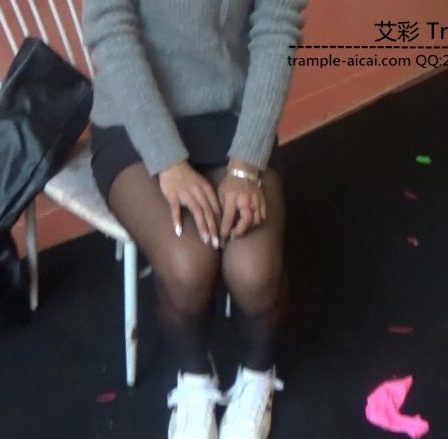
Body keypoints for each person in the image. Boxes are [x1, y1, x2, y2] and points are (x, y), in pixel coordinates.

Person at [82, 1, 306, 438]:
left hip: (233, 118)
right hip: (134, 121)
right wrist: (168, 160)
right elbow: (110, 28)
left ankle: (258, 374)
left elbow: (278, 26)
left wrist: (246, 165)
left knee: (255, 274)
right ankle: (194, 379)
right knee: (188, 267)